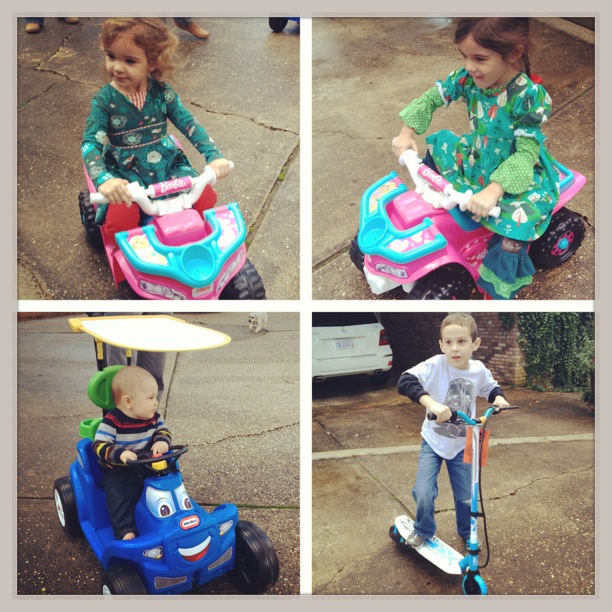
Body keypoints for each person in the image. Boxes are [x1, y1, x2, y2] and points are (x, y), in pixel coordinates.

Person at [392, 18, 560, 300]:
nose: (470, 66)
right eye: (464, 56)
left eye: (480, 59)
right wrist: (406, 133)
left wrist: (494, 191)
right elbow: (432, 97)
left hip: (515, 170)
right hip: (479, 156)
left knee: (517, 223)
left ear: (513, 53)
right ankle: (435, 202)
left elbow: (526, 153)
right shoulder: (467, 78)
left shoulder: (528, 97)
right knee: (441, 144)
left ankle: (496, 283)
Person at [81, 18, 232, 243]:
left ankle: (198, 238)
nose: (117, 67)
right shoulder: (104, 101)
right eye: (111, 56)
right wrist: (104, 179)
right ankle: (129, 250)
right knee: (121, 218)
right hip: (125, 170)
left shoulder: (162, 93)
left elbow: (188, 123)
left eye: (129, 60)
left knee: (204, 195)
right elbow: (90, 143)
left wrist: (214, 156)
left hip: (166, 164)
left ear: (151, 62)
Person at [396, 313, 510, 548]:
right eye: (448, 342)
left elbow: (491, 388)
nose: (454, 348)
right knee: (424, 493)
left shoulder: (478, 370)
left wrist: (498, 398)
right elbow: (405, 381)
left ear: (475, 344)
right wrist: (432, 404)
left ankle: (467, 532)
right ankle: (423, 529)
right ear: (441, 345)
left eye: (461, 341)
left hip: (463, 443)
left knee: (467, 496)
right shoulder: (436, 365)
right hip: (433, 442)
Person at [92, 366, 172, 540]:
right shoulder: (111, 422)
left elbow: (163, 431)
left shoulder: (154, 417)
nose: (156, 403)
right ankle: (125, 531)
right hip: (120, 470)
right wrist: (120, 454)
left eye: (156, 397)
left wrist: (161, 441)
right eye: (151, 398)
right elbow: (99, 445)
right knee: (119, 494)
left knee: (170, 480)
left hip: (148, 465)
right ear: (128, 402)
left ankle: (174, 516)